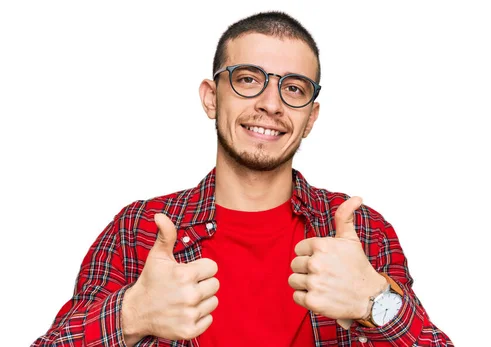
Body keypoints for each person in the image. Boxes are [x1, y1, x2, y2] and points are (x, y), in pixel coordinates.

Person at [32, 11, 453, 347]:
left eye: (294, 88)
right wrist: (130, 318)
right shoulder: (137, 229)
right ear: (211, 98)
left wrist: (376, 301)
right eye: (248, 80)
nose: (271, 104)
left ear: (311, 118)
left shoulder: (364, 233)